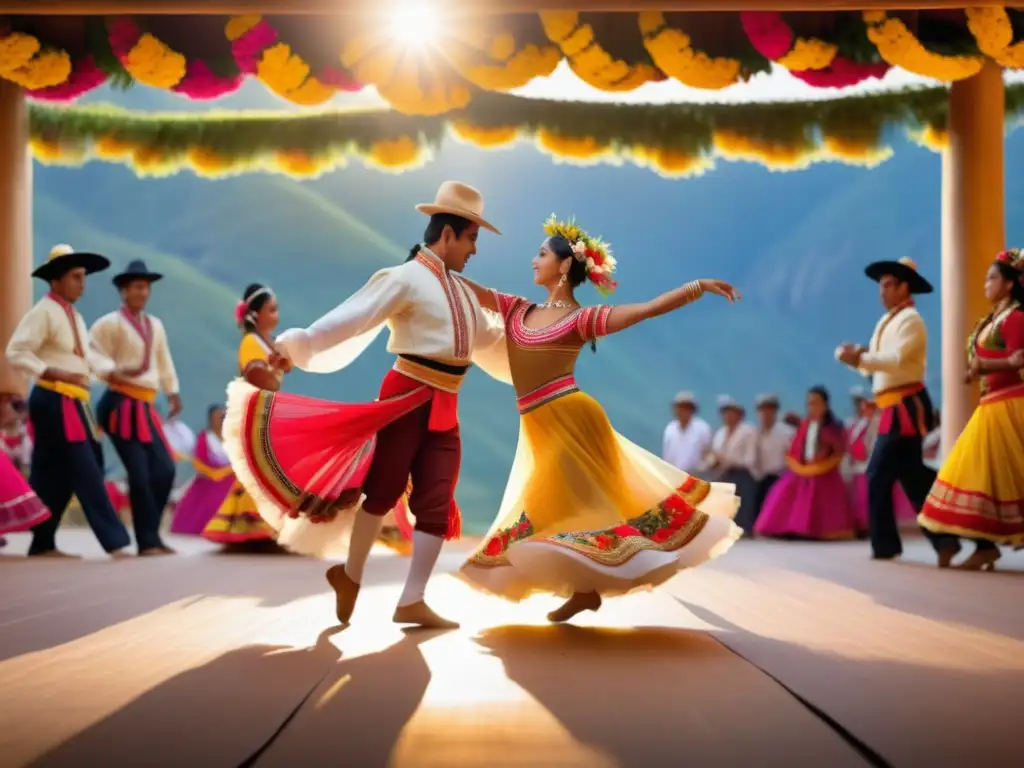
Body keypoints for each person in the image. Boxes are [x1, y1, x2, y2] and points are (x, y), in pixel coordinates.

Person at [222, 182, 509, 629]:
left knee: (437, 499)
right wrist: (301, 345)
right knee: (384, 489)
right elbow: (351, 319)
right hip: (404, 396)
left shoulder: (466, 295)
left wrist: (552, 328)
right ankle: (351, 576)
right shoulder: (405, 277)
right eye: (472, 237)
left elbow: (496, 337)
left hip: (446, 405)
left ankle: (412, 597)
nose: (474, 249)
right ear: (449, 234)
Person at [458, 215, 743, 623]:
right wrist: (434, 265)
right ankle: (585, 590)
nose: (532, 260)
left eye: (540, 254)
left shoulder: (580, 319)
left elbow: (645, 310)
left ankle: (587, 587)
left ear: (563, 266)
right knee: (554, 509)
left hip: (573, 421)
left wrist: (697, 287)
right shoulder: (518, 309)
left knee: (573, 509)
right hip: (539, 426)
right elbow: (478, 293)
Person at [4, 245, 132, 559]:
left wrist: (112, 374)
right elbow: (16, 351)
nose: (82, 283)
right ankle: (115, 541)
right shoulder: (43, 312)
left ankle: (43, 541)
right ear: (56, 280)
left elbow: (84, 361)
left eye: (83, 277)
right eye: (76, 277)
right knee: (86, 467)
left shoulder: (74, 314)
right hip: (54, 398)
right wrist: (49, 370)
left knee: (53, 474)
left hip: (75, 401)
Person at [918, 249, 1024, 570]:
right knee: (980, 479)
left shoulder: (1016, 317)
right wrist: (976, 369)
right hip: (991, 407)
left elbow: (1019, 360)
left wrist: (983, 365)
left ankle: (984, 546)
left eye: (991, 278)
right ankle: (984, 545)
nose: (985, 284)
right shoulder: (992, 320)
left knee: (995, 478)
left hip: (1011, 405)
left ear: (1009, 284)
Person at [835, 256, 939, 561]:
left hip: (906, 405)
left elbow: (895, 361)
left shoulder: (911, 321)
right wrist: (857, 360)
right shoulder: (886, 321)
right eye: (881, 286)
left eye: (889, 285)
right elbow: (876, 370)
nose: (883, 291)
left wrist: (860, 358)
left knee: (877, 474)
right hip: (892, 405)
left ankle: (885, 546)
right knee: (913, 476)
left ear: (905, 287)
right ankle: (948, 538)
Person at [90, 260, 181, 556]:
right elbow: (93, 353)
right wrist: (110, 371)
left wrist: (172, 392)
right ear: (124, 291)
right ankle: (147, 540)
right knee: (139, 474)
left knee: (165, 469)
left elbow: (164, 360)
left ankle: (152, 533)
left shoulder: (155, 325)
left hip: (145, 404)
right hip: (119, 403)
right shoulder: (109, 324)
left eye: (146, 287)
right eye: (138, 287)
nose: (143, 292)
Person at [202, 284, 293, 551]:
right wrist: (277, 368)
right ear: (256, 314)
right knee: (261, 472)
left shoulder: (268, 342)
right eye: (271, 309)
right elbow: (259, 378)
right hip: (256, 414)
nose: (276, 315)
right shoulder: (251, 343)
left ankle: (262, 531)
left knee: (265, 472)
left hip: (269, 412)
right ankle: (258, 532)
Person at [754, 386, 857, 540]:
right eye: (809, 403)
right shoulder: (804, 426)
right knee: (781, 491)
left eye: (816, 403)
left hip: (825, 472)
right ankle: (789, 529)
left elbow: (839, 451)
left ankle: (818, 530)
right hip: (803, 470)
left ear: (825, 405)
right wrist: (800, 466)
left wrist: (820, 466)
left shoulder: (833, 428)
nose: (812, 407)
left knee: (822, 497)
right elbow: (795, 449)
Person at [846, 396, 917, 537]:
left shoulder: (877, 423)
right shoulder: (860, 424)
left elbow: (872, 445)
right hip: (858, 466)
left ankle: (872, 528)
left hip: (869, 465)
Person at [170, 405, 235, 535]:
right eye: (219, 416)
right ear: (211, 419)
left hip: (232, 478)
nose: (223, 419)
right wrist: (215, 472)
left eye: (225, 416)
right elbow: (201, 459)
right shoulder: (205, 437)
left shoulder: (234, 438)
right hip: (209, 478)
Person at [704, 396, 758, 534]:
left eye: (731, 412)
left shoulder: (748, 431)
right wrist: (711, 461)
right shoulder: (720, 433)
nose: (728, 416)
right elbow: (715, 455)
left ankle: (743, 526)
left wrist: (726, 459)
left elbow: (749, 460)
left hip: (742, 473)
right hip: (724, 473)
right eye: (725, 413)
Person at [752, 394, 794, 521]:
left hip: (781, 477)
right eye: (762, 410)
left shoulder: (787, 432)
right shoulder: (756, 433)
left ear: (775, 411)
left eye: (769, 409)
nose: (765, 414)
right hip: (762, 478)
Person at [662, 391, 712, 475]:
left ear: (692, 410)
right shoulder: (670, 429)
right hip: (673, 474)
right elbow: (667, 455)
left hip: (695, 476)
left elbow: (708, 453)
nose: (681, 411)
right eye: (679, 407)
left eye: (686, 408)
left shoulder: (702, 428)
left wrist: (702, 469)